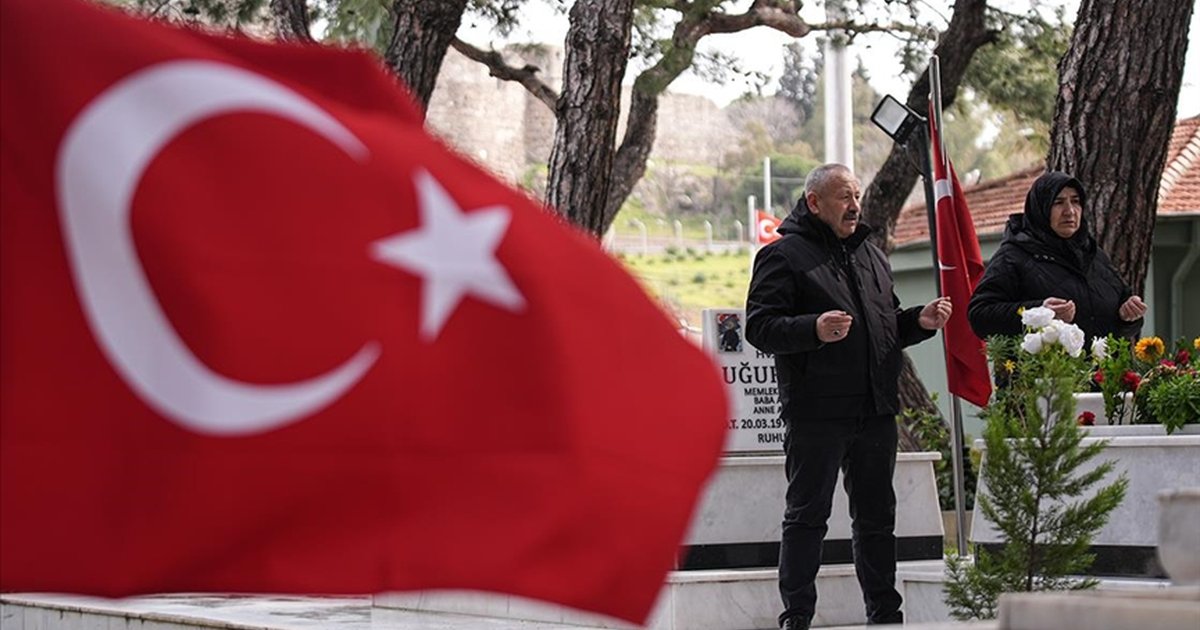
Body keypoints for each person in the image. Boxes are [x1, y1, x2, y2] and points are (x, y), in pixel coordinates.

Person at [745, 163, 951, 630]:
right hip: (817, 411)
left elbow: (885, 326)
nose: (855, 205)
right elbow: (759, 326)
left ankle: (884, 614)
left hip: (876, 409)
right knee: (807, 517)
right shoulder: (784, 256)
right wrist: (812, 329)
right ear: (814, 203)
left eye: (856, 195)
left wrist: (919, 321)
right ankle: (796, 615)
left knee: (878, 519)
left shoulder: (873, 256)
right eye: (843, 196)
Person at [967, 171, 1146, 343]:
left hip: (1100, 373)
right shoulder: (1014, 256)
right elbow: (979, 315)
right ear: (1041, 208)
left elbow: (1118, 318)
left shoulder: (1093, 254)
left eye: (1076, 202)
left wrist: (1128, 316)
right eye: (1058, 202)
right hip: (1040, 373)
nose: (1070, 211)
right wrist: (1040, 313)